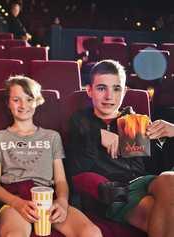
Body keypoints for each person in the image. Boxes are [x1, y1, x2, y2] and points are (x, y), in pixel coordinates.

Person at [66, 59, 174, 237]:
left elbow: (159, 166)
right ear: (89, 90)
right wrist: (97, 135)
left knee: (169, 179)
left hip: (147, 182)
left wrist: (171, 134)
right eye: (102, 88)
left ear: (124, 91)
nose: (109, 96)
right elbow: (76, 168)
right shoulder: (80, 122)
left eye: (116, 89)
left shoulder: (137, 121)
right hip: (115, 192)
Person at [0, 75, 102, 237]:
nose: (23, 105)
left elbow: (60, 180)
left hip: (49, 200)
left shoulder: (52, 137)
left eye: (29, 99)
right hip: (14, 201)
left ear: (37, 101)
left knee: (92, 232)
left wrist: (61, 202)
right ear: (8, 103)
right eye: (16, 100)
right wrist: (17, 203)